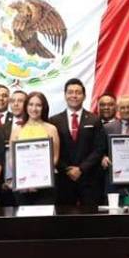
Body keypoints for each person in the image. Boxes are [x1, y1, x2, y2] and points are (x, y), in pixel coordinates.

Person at [49, 78, 105, 206]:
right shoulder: (54, 121)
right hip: (64, 179)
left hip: (89, 178)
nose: (74, 95)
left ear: (84, 96)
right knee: (64, 220)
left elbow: (99, 149)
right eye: (70, 92)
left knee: (91, 219)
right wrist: (67, 169)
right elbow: (52, 150)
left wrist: (81, 169)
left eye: (78, 92)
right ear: (65, 95)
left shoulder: (94, 120)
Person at [8, 91, 61, 205]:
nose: (34, 108)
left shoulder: (51, 129)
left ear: (44, 108)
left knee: (45, 220)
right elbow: (12, 159)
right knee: (24, 221)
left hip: (46, 184)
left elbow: (55, 158)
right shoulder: (17, 130)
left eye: (38, 105)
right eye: (31, 104)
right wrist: (27, 180)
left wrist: (38, 180)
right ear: (26, 106)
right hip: (23, 185)